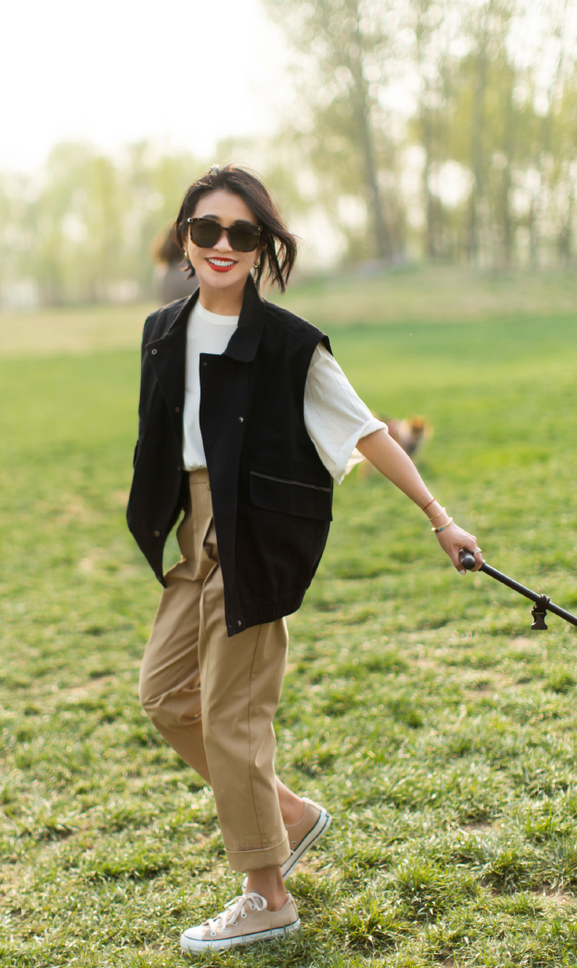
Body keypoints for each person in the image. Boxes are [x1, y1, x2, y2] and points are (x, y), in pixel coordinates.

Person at [126, 164, 483, 954]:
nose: (223, 246)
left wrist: (439, 519)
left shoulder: (289, 346)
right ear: (184, 238)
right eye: (207, 230)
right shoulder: (163, 331)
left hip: (254, 538)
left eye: (242, 234)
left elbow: (367, 431)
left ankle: (268, 893)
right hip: (195, 538)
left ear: (262, 247)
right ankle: (286, 813)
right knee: (163, 696)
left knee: (232, 718)